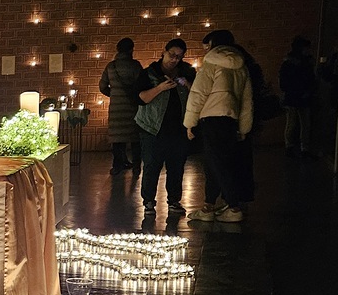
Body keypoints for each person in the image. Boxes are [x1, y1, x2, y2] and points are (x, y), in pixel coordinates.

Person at [184, 30, 253, 222]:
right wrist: (244, 128)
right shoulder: (242, 67)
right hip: (230, 120)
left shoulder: (211, 63)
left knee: (216, 164)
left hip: (211, 119)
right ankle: (209, 205)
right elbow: (247, 101)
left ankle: (233, 207)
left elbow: (198, 94)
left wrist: (190, 123)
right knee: (218, 162)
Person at [133, 38, 196, 216]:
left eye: (179, 56)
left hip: (179, 128)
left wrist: (188, 85)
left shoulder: (187, 73)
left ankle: (174, 200)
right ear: (164, 52)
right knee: (152, 165)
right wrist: (160, 88)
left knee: (176, 166)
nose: (174, 59)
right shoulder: (149, 73)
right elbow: (141, 98)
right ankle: (148, 201)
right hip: (152, 127)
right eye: (171, 55)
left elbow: (198, 95)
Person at [99, 37, 144, 175]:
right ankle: (136, 166)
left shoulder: (111, 66)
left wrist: (114, 95)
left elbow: (102, 86)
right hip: (132, 108)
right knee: (135, 139)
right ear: (131, 49)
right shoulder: (135, 66)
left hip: (116, 109)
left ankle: (117, 165)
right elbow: (142, 85)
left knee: (117, 139)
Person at [279, 36, 317, 156]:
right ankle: (302, 148)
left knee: (293, 123)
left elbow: (283, 82)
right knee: (302, 123)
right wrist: (307, 91)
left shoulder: (288, 63)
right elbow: (311, 79)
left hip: (293, 96)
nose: (308, 50)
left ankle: (290, 146)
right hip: (300, 96)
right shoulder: (307, 63)